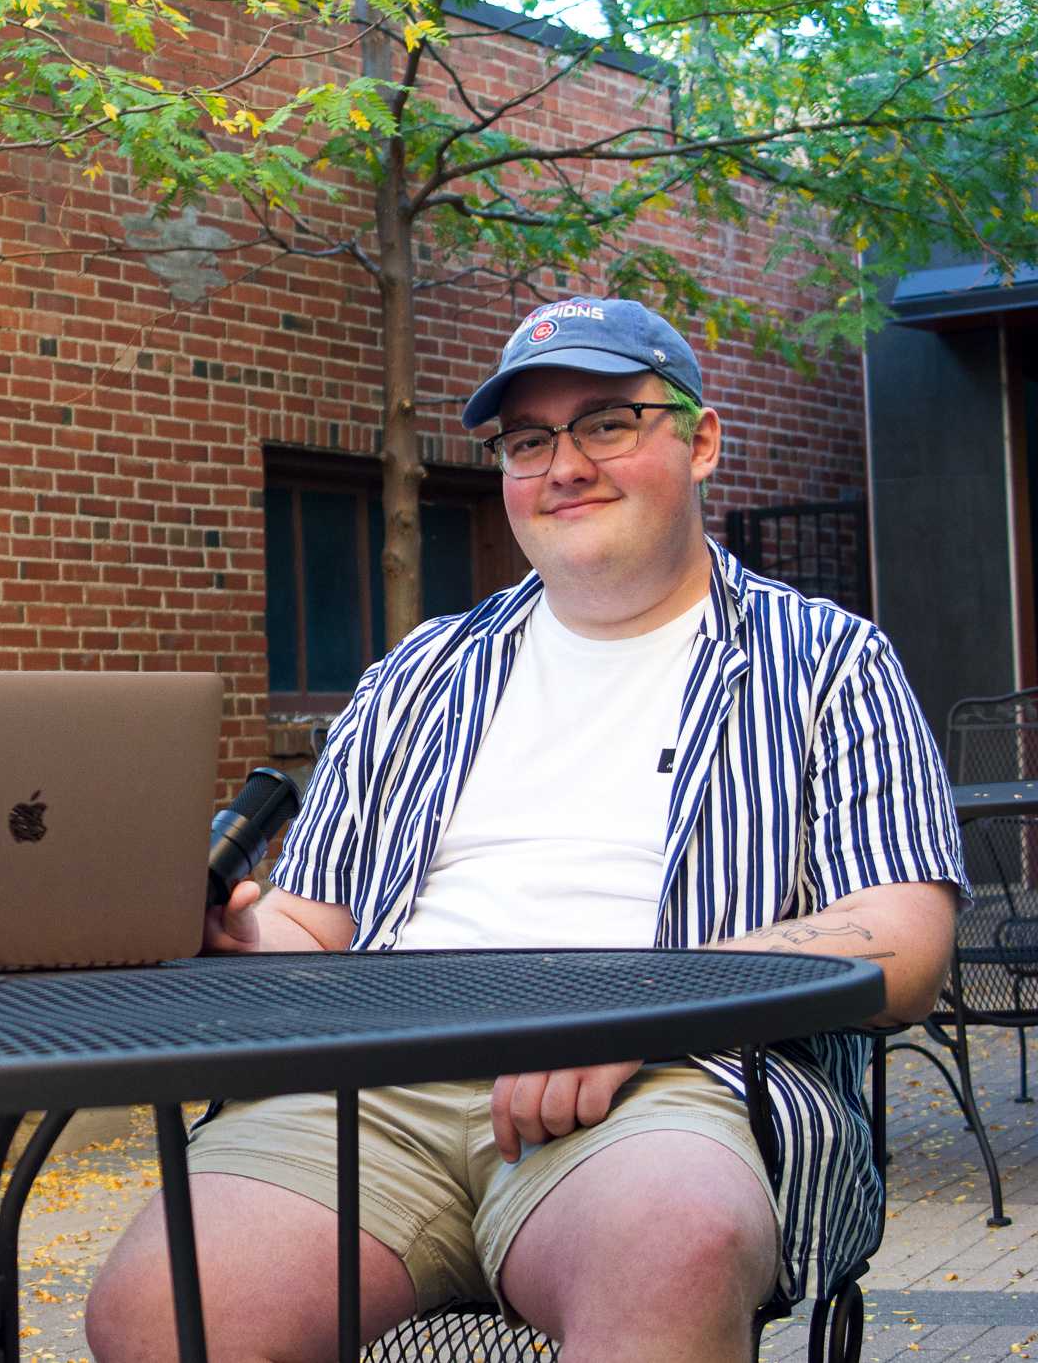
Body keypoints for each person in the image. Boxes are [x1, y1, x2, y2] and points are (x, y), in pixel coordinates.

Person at [84, 298, 966, 1363]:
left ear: (699, 442)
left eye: (606, 422)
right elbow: (314, 929)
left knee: (671, 1250)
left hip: (663, 1080)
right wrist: (234, 936)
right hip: (369, 1076)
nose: (563, 466)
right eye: (528, 440)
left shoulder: (827, 663)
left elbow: (904, 942)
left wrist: (635, 1004)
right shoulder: (417, 673)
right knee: (163, 1309)